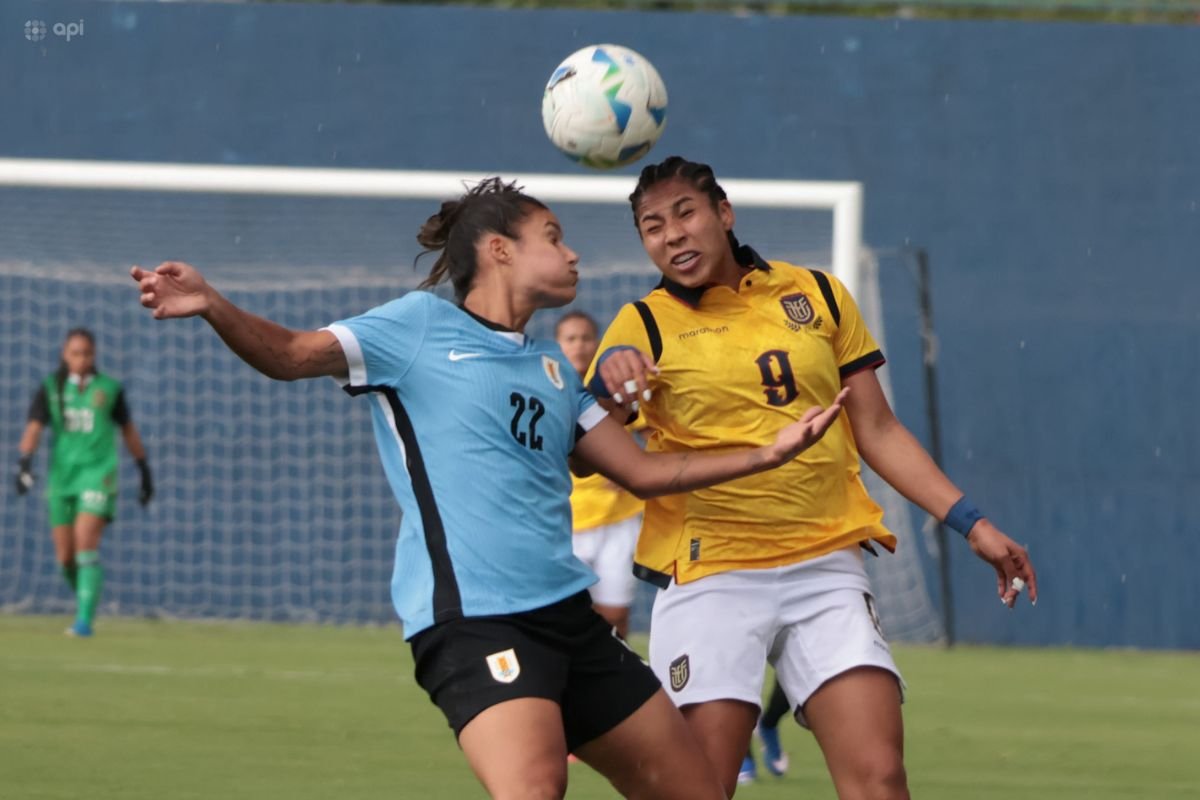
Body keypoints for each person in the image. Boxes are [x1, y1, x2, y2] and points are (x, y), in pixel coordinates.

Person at [129, 177, 849, 800]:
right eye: (553, 236)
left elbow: (643, 471)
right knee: (536, 786)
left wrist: (766, 452)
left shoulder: (555, 370)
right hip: (475, 623)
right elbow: (288, 354)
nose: (572, 254)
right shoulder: (415, 327)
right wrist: (215, 303)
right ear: (500, 248)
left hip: (570, 621)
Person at [588, 156, 1039, 799]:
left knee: (880, 780)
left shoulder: (819, 294)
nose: (672, 235)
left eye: (685, 213)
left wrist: (970, 521)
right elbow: (591, 453)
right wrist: (612, 389)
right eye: (652, 226)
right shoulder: (643, 325)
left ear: (724, 213)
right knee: (700, 790)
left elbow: (877, 430)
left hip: (825, 563)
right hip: (711, 573)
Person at [13, 327, 154, 638]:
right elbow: (34, 427)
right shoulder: (51, 388)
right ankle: (85, 605)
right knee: (65, 557)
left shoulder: (109, 390)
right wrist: (24, 463)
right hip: (62, 478)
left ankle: (84, 623)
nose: (81, 359)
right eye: (75, 353)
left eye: (87, 353)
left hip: (97, 475)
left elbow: (128, 431)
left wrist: (144, 470)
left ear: (94, 356)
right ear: (65, 354)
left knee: (85, 545)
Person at [555, 311, 643, 639]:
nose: (579, 345)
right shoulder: (548, 387)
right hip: (566, 521)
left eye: (586, 337)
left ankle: (614, 686)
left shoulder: (612, 389)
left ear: (597, 343)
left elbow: (653, 435)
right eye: (570, 338)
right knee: (569, 617)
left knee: (615, 617)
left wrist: (630, 467)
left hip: (616, 518)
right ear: (559, 344)